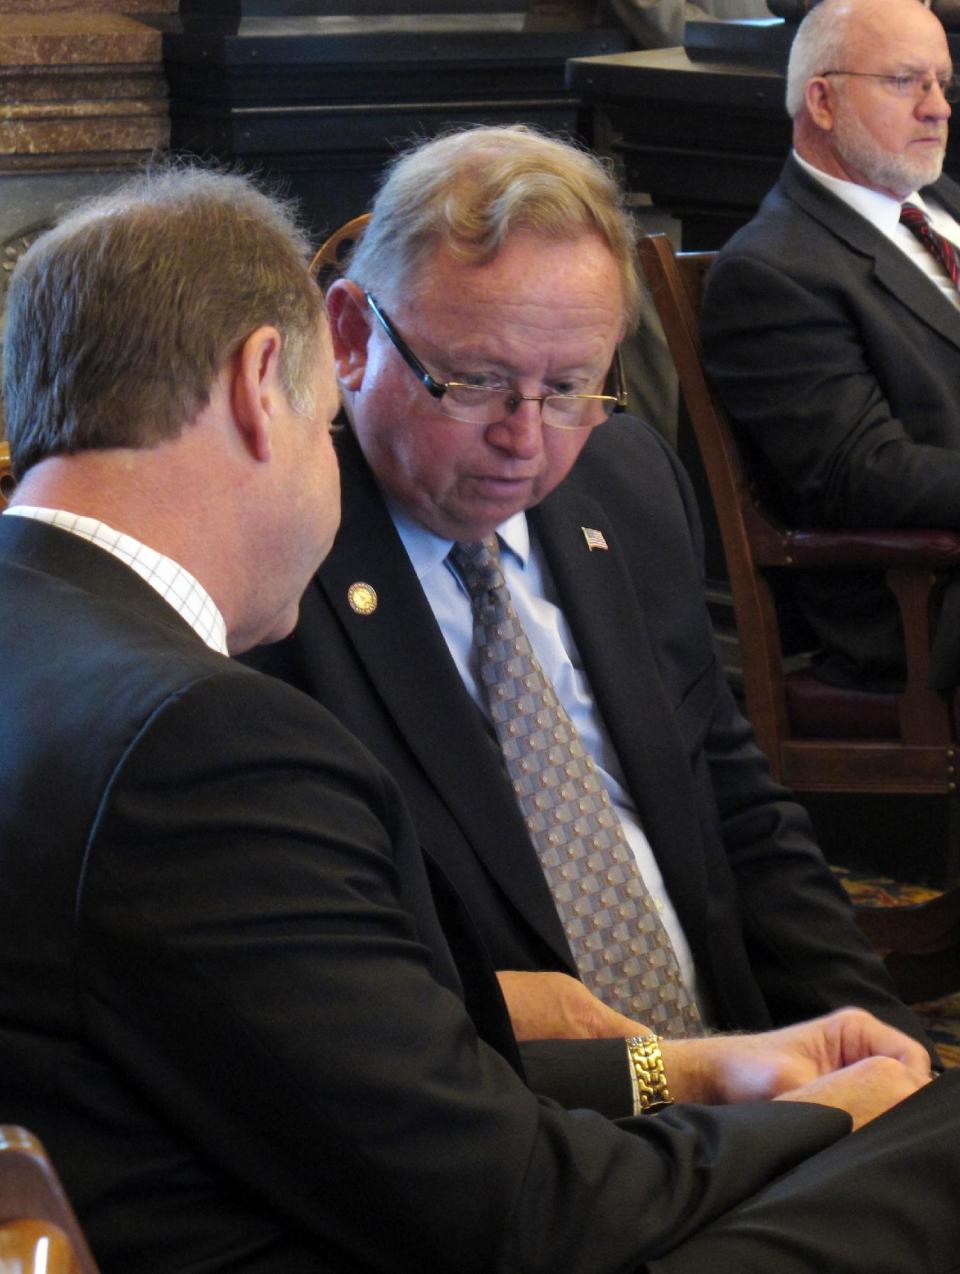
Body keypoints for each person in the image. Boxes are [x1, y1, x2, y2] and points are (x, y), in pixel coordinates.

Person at [3, 158, 960, 1274]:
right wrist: (833, 1119)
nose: (527, 434)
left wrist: (706, 1070)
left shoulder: (55, 641)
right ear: (273, 380)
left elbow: (336, 1068)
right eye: (325, 424)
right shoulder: (206, 736)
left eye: (572, 389)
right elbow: (516, 1211)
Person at [249, 122, 932, 1106]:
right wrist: (666, 1078)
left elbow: (741, 816)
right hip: (517, 1120)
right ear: (352, 336)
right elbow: (338, 997)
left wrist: (886, 1047)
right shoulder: (274, 573)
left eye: (570, 386)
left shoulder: (625, 480)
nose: (524, 440)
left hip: (748, 1072)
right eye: (475, 380)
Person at [700, 0, 960, 691]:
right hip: (925, 600)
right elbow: (866, 475)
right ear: (822, 99)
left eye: (943, 83)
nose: (937, 109)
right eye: (907, 82)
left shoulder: (945, 208)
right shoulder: (775, 269)